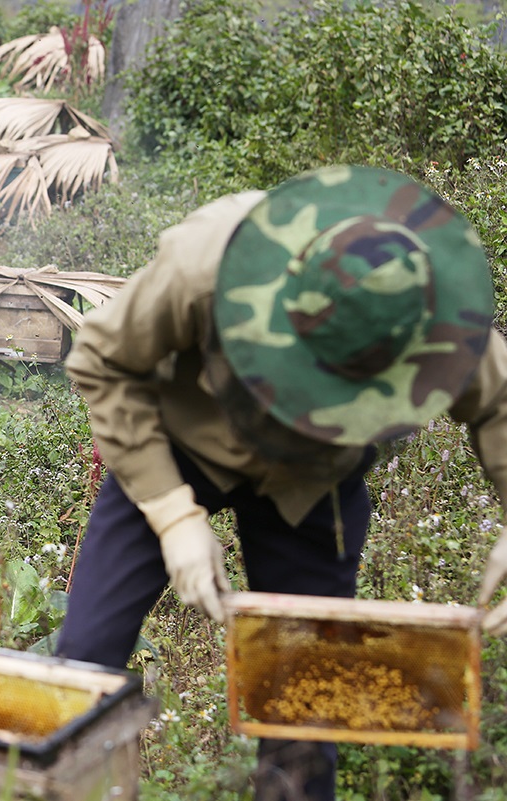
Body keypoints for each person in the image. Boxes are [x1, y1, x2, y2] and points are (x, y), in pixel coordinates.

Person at [56, 164, 507, 801]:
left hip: (312, 481)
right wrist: (171, 512)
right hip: (180, 444)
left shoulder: (428, 309)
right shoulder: (204, 259)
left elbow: (501, 402)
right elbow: (102, 358)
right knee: (82, 663)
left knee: (305, 701)